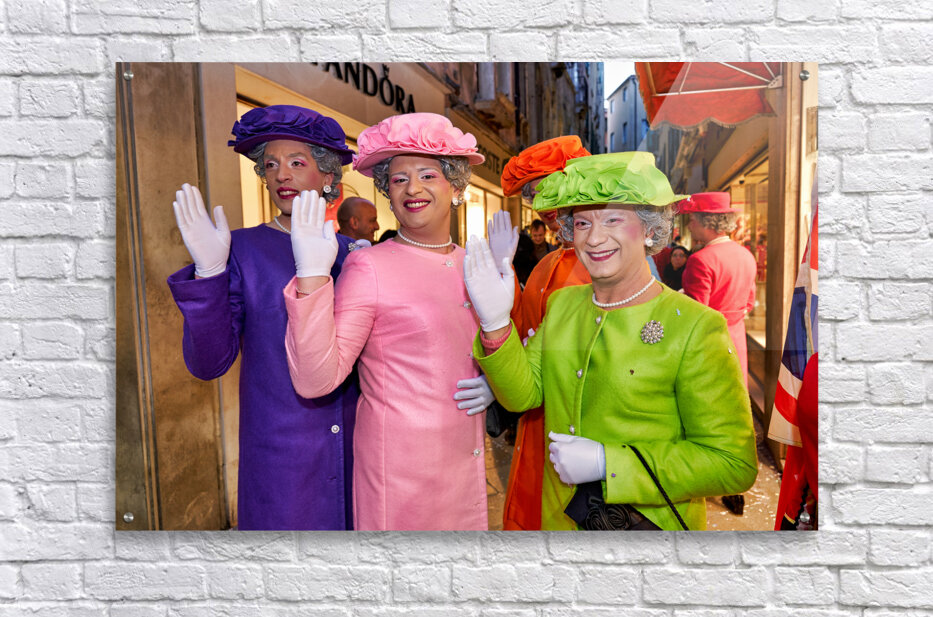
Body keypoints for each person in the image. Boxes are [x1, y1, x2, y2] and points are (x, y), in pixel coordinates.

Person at [463, 152, 758, 530]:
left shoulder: (697, 326)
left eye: (613, 219)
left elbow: (733, 463)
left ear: (650, 229)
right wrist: (495, 324)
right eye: (582, 222)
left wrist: (609, 463)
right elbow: (522, 396)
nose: (595, 237)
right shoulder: (563, 304)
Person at [282, 112, 495, 530]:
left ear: (455, 187)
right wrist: (311, 277)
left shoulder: (472, 262)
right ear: (388, 192)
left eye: (428, 175)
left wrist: (495, 380)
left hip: (464, 466)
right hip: (401, 476)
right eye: (399, 179)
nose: (412, 188)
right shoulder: (369, 267)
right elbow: (316, 379)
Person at [166, 105, 360, 530]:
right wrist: (210, 273)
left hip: (358, 448)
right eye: (271, 165)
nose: (281, 175)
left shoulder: (356, 255)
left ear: (328, 176)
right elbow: (208, 362)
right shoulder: (242, 251)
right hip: (281, 458)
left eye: (297, 163)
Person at [497, 135, 591, 530]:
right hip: (539, 415)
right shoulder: (546, 263)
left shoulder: (609, 258)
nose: (543, 204)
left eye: (550, 187)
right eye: (533, 194)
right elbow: (524, 330)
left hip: (584, 421)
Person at [680, 192, 757, 385]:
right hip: (737, 338)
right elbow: (749, 303)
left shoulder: (700, 259)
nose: (689, 226)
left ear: (707, 222)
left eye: (692, 220)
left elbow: (696, 312)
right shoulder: (746, 255)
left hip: (709, 343)